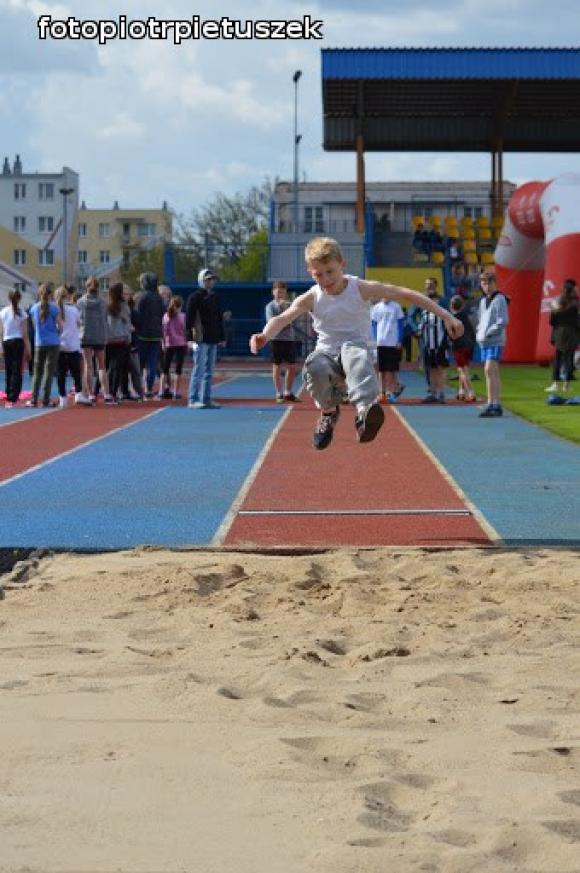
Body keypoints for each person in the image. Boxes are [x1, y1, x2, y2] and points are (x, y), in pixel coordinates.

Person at [249, 236, 463, 450]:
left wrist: (447, 316)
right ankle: (328, 412)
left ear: (342, 264)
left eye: (330, 271)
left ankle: (364, 412)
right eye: (318, 275)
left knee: (353, 353)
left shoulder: (360, 288)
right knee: (313, 366)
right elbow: (283, 318)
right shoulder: (311, 297)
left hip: (356, 348)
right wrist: (264, 335)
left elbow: (404, 293)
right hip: (326, 353)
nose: (325, 279)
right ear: (310, 273)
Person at [186, 268, 225, 409]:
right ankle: (193, 399)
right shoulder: (194, 297)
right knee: (199, 368)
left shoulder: (215, 297)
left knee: (209, 370)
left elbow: (219, 318)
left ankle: (206, 398)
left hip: (213, 339)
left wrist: (222, 336)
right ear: (201, 280)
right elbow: (189, 320)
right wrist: (189, 338)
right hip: (199, 339)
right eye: (207, 279)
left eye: (212, 279)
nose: (210, 282)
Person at [476, 272, 509, 418]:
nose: (487, 287)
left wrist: (490, 332)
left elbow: (503, 320)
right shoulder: (483, 301)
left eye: (489, 283)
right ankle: (492, 402)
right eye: (484, 284)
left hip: (495, 339)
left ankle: (495, 404)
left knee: (490, 369)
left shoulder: (500, 298)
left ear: (495, 283)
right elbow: (481, 319)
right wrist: (480, 332)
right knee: (489, 371)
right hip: (484, 340)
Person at [77, 276, 114, 405]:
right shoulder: (102, 302)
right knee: (102, 366)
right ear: (98, 288)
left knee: (88, 365)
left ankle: (91, 394)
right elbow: (105, 319)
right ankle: (107, 394)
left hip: (86, 335)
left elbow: (78, 319)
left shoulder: (80, 302)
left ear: (86, 287)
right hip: (99, 336)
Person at [27, 283, 63, 407]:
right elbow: (60, 326)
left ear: (39, 293)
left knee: (37, 372)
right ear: (50, 294)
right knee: (49, 372)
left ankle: (33, 399)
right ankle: (46, 399)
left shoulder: (34, 308)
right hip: (53, 342)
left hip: (39, 343)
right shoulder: (55, 308)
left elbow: (33, 325)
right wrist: (57, 332)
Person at [265, 280, 300, 403]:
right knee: (277, 366)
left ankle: (288, 392)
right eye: (277, 292)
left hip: (289, 339)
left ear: (285, 293)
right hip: (276, 339)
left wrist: (285, 311)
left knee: (292, 366)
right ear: (273, 292)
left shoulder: (290, 305)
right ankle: (278, 393)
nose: (280, 294)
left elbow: (294, 320)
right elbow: (272, 322)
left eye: (282, 292)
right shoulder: (270, 306)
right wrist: (284, 320)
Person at [545, 278, 579, 393]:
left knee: (558, 358)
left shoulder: (558, 303)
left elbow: (552, 321)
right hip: (572, 333)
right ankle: (567, 385)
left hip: (560, 333)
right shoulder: (576, 304)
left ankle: (556, 383)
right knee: (569, 359)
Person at [55, 285, 86, 407]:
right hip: (73, 345)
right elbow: (79, 323)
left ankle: (62, 397)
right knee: (76, 372)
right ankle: (78, 393)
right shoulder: (73, 309)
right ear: (67, 296)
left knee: (61, 373)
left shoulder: (55, 309)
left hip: (60, 345)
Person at [419, 278, 449, 403]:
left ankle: (441, 393)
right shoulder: (424, 312)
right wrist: (418, 330)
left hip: (439, 344)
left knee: (440, 368)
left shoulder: (442, 312)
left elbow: (448, 323)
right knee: (430, 369)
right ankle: (433, 392)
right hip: (427, 344)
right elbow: (419, 324)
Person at [370, 297, 405, 403]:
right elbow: (374, 324)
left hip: (392, 343)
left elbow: (400, 324)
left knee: (390, 370)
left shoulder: (396, 306)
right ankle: (382, 393)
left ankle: (391, 392)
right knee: (381, 370)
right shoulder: (376, 307)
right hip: (381, 343)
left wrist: (399, 339)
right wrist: (375, 339)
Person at [135, 272, 164, 399]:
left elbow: (137, 315)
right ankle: (149, 389)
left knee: (139, 365)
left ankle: (138, 389)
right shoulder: (158, 298)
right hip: (156, 335)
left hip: (142, 335)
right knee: (152, 365)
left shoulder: (142, 297)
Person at [0, 288, 30, 407]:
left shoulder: (3, 312)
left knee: (9, 368)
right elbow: (25, 333)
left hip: (7, 341)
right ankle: (14, 395)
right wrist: (29, 348)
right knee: (17, 369)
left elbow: (1, 332)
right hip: (18, 342)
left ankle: (8, 392)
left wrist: (0, 346)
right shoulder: (22, 313)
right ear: (19, 298)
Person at [106, 282, 132, 402]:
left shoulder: (106, 306)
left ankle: (99, 391)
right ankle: (113, 392)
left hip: (108, 340)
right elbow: (127, 324)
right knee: (117, 368)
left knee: (107, 367)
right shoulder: (124, 307)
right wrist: (129, 339)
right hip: (121, 340)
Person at [449, 295, 476, 402]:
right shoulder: (465, 316)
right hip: (469, 346)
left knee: (462, 370)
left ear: (451, 305)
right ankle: (461, 392)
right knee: (463, 368)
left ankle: (471, 392)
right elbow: (472, 331)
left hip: (459, 346)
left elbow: (451, 334)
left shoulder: (452, 318)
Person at [161, 295, 188, 400]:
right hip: (180, 344)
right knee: (178, 370)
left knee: (165, 369)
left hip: (169, 344)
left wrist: (163, 343)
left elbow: (164, 331)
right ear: (181, 305)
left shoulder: (166, 316)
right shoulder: (183, 316)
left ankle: (161, 391)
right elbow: (185, 331)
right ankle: (176, 392)